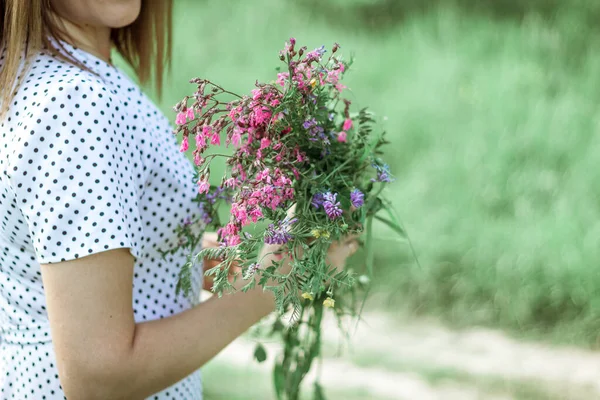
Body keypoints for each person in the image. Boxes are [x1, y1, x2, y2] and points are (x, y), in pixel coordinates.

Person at [0, 1, 359, 399]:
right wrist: (273, 281)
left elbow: (39, 259)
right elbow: (99, 374)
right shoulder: (75, 102)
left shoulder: (31, 74)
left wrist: (183, 256)